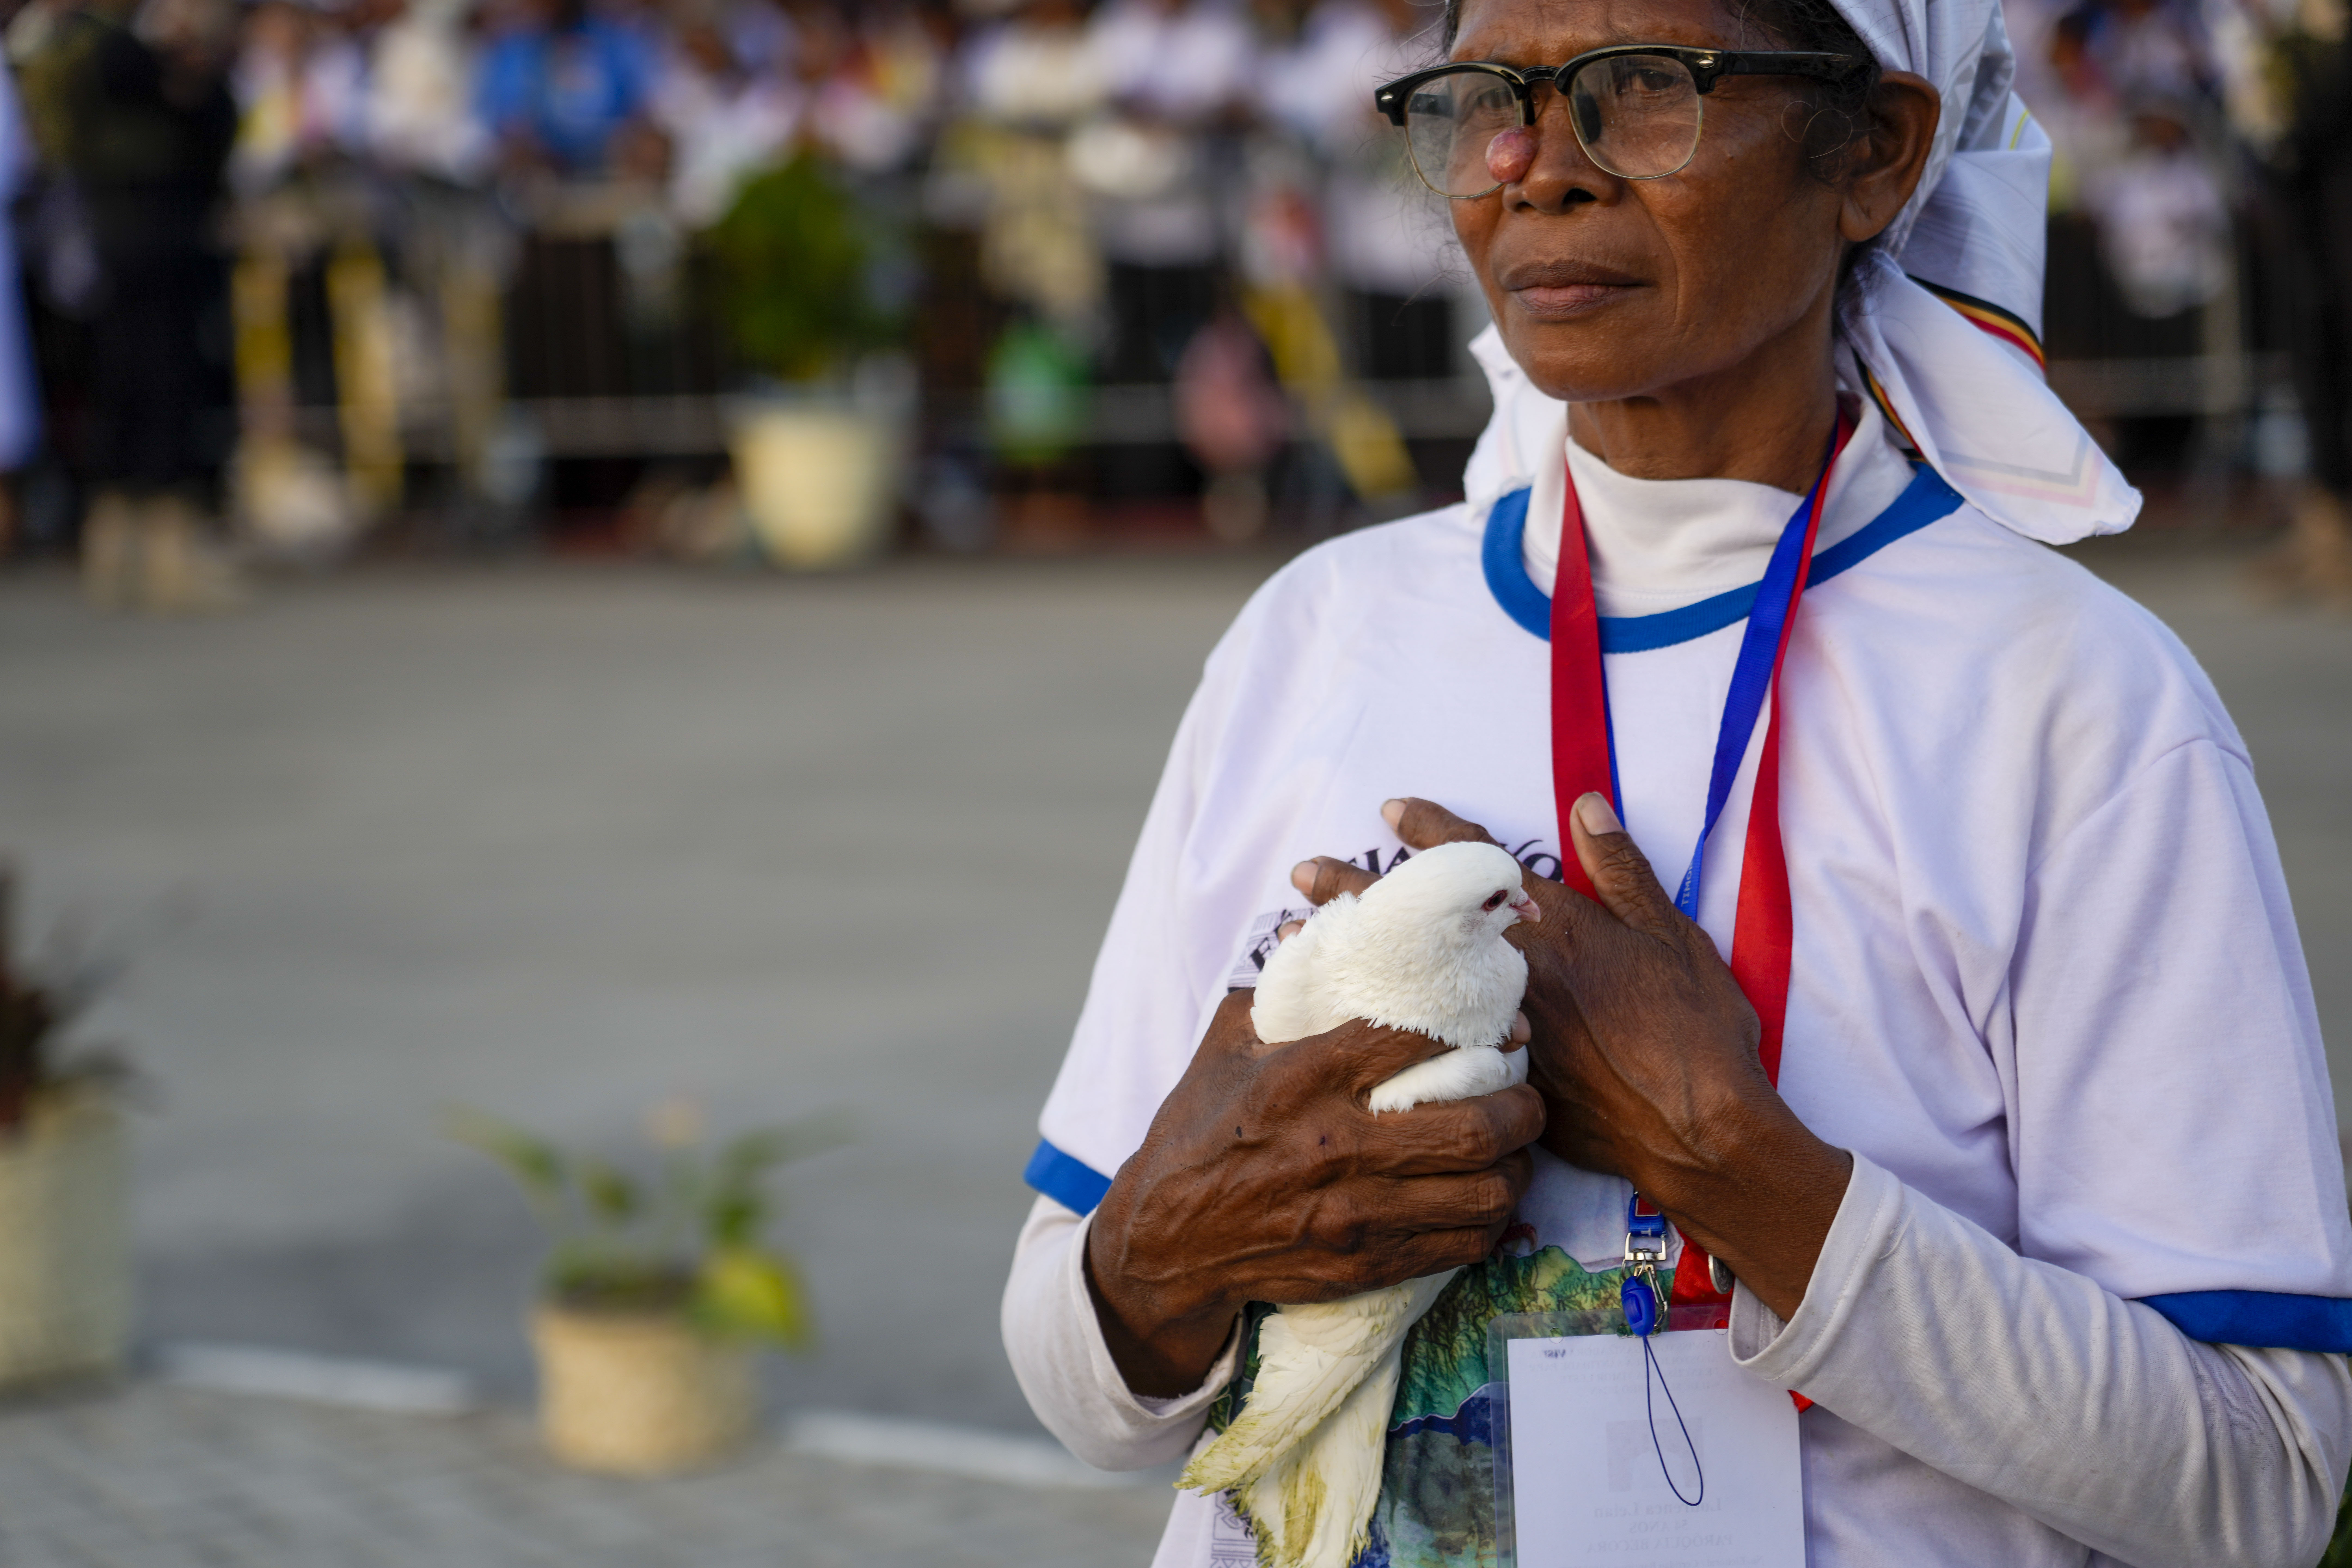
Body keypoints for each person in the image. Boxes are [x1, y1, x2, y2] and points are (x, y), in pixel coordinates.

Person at [1000, 0, 2352, 1564]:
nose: (1540, 166)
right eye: (1488, 97)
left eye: (1646, 87)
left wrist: (1733, 1162)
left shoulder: (2072, 699)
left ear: (1876, 152)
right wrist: (1168, 1253)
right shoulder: (1320, 631)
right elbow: (1077, 1375)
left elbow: (2263, 1481)